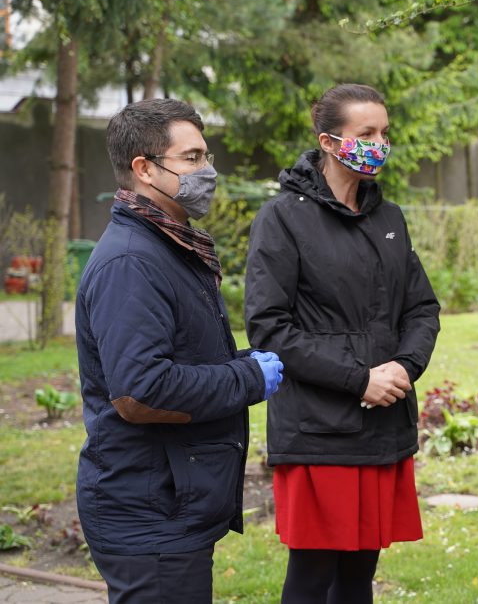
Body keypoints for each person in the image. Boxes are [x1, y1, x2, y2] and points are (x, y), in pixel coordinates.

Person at [76, 98, 284, 603]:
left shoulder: (170, 245)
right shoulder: (132, 261)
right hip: (148, 511)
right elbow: (140, 392)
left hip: (171, 501)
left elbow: (181, 357)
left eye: (206, 156)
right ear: (145, 169)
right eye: (191, 158)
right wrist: (248, 379)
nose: (207, 171)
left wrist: (236, 363)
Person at [245, 83, 441, 604]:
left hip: (382, 423)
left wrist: (404, 366)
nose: (379, 143)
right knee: (312, 580)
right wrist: (360, 379)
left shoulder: (389, 218)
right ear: (329, 142)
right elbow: (270, 328)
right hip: (319, 429)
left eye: (384, 133)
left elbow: (422, 308)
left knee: (358, 578)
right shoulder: (281, 219)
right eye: (366, 133)